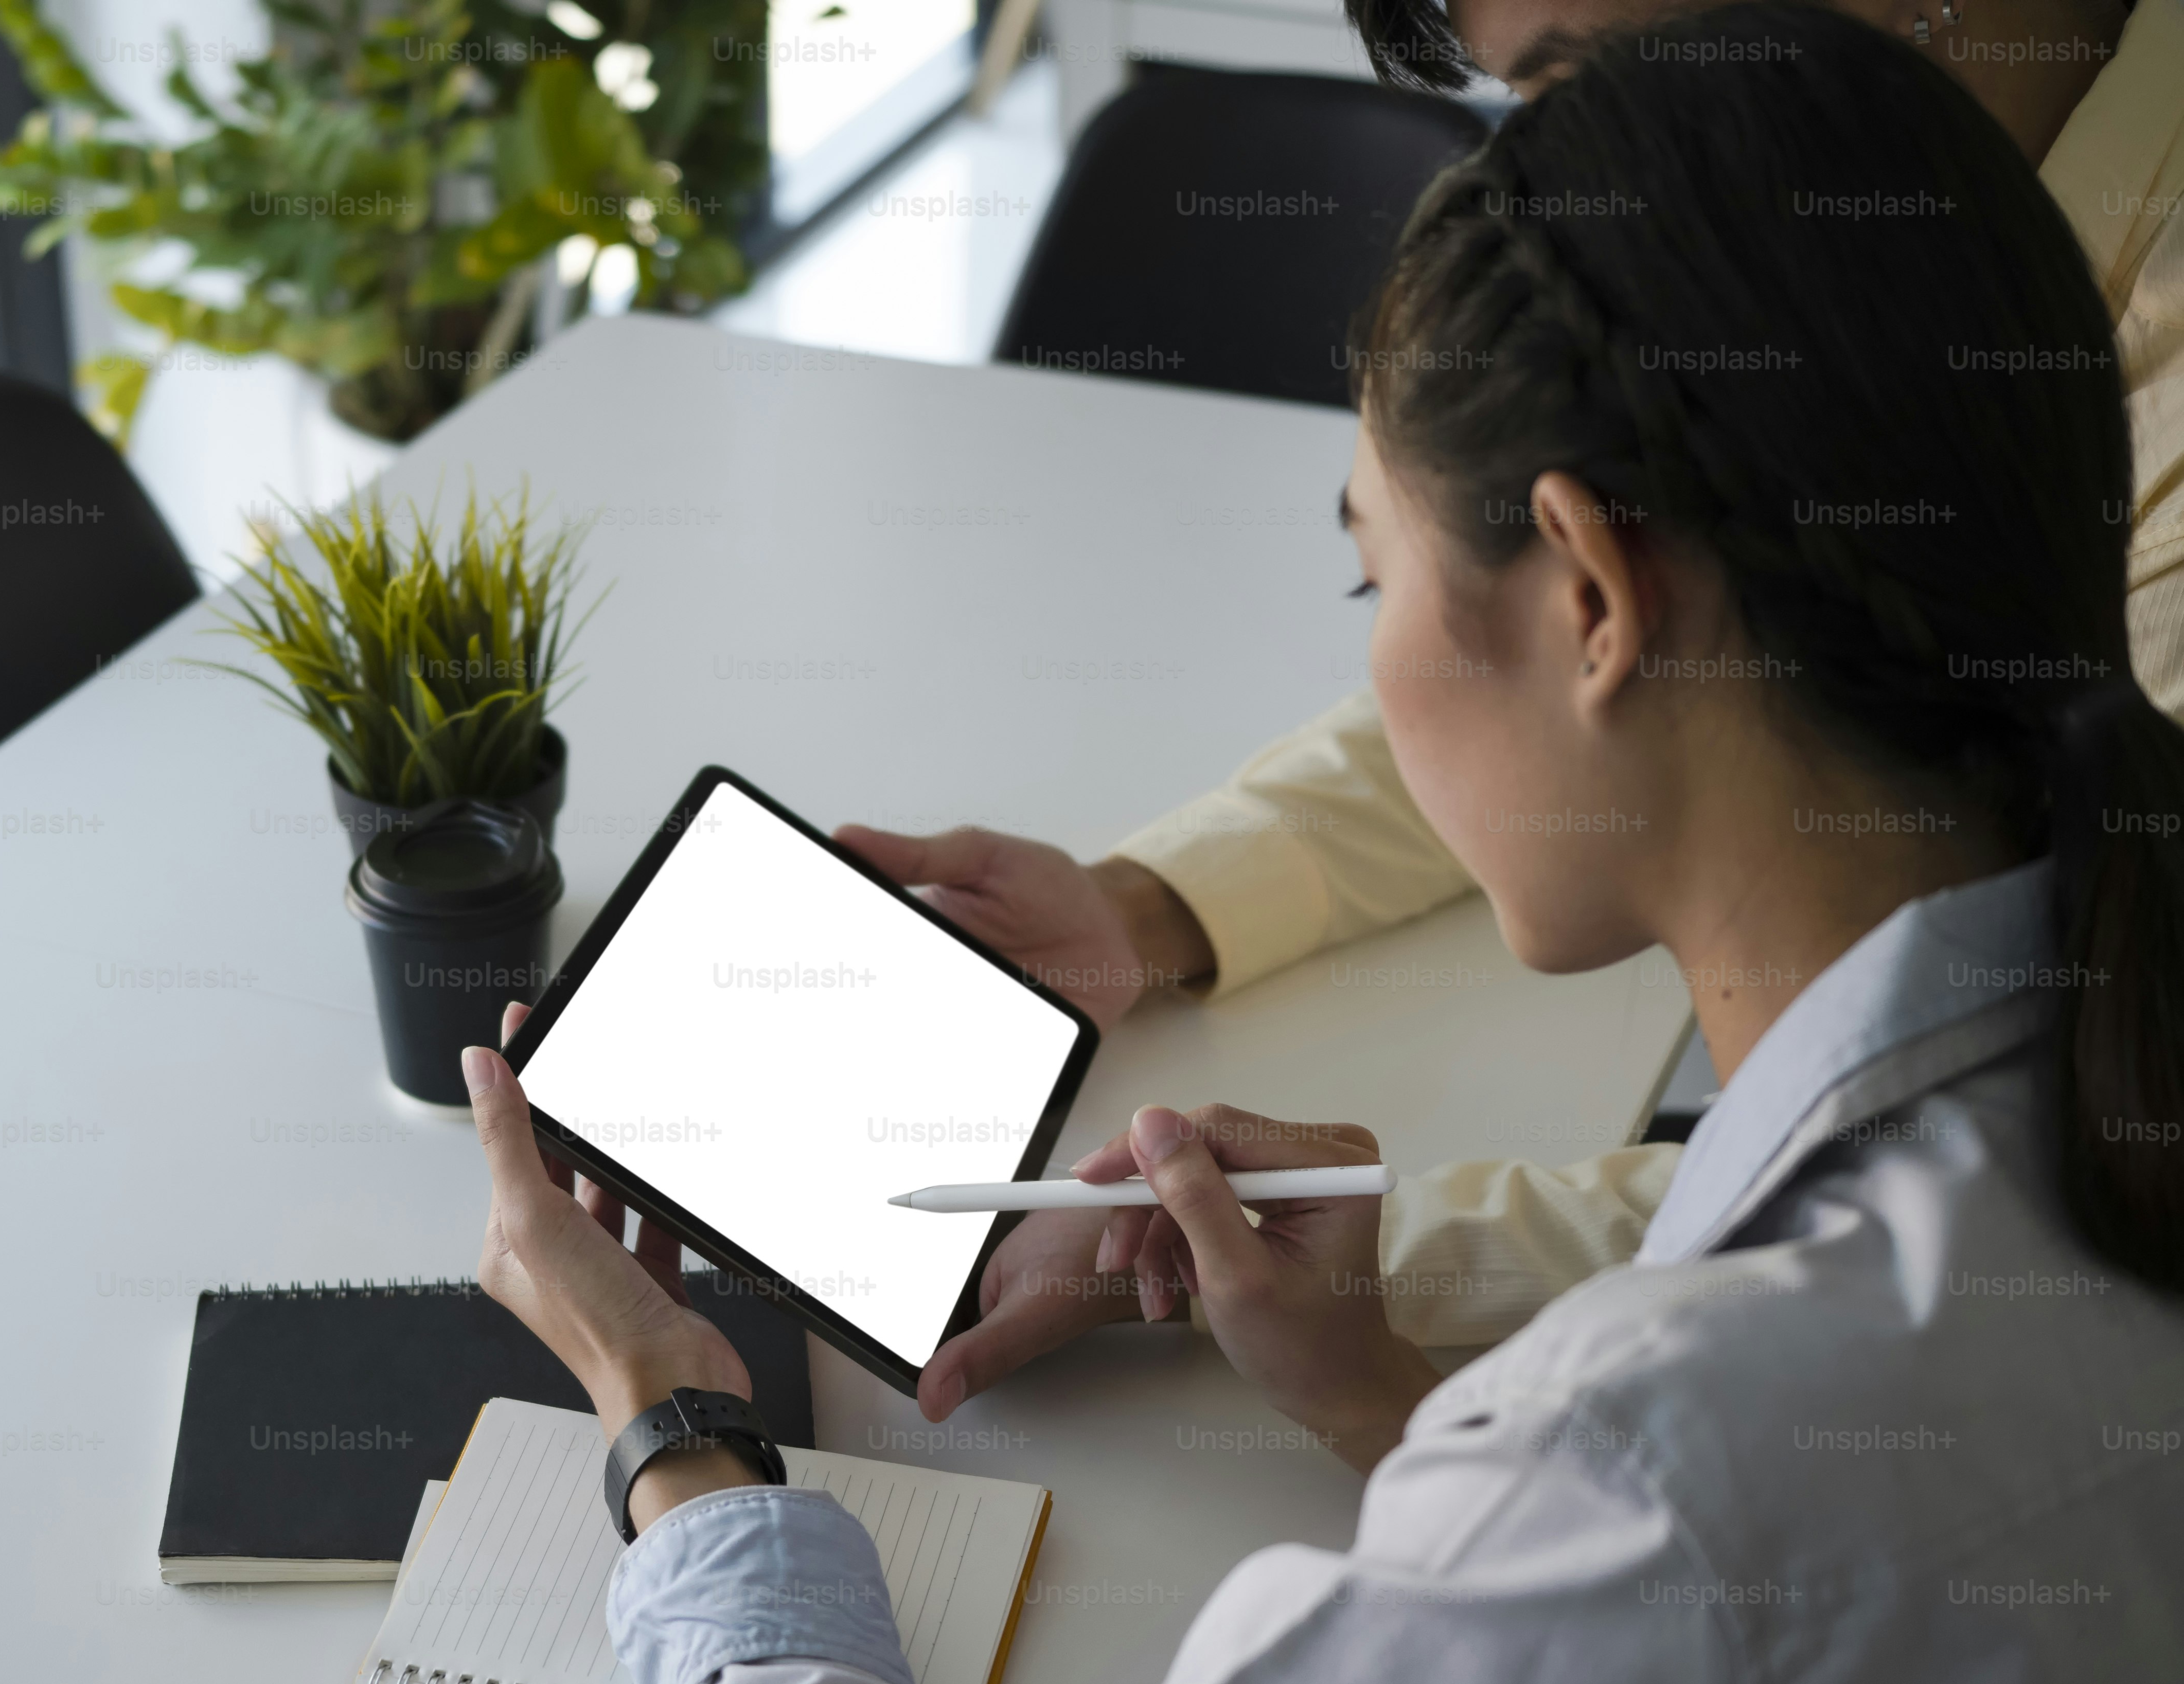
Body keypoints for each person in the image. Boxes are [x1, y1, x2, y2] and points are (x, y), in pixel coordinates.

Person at [458, 8, 2184, 1684]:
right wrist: (1386, 1399)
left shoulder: (1668, 1479)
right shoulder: (2097, 1054)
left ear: (1592, 595)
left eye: (1368, 573)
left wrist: (679, 1440)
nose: (1375, 662)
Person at [830, 0, 2184, 1373]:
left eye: (1580, 80)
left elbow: (1987, 1181)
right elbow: (1607, 664)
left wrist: (1272, 1255)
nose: (1539, 172)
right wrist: (1147, 904)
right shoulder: (1893, 235)